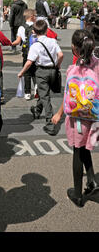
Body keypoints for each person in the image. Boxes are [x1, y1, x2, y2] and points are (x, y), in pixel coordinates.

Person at [52, 30, 99, 207]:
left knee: (78, 151)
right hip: (94, 117)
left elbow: (68, 96)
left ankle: (77, 194)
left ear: (74, 47)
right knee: (86, 147)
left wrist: (59, 113)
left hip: (77, 118)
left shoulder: (74, 68)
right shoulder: (98, 65)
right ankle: (92, 180)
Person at [18, 19, 63, 136]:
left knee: (45, 96)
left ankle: (50, 124)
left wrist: (22, 72)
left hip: (41, 71)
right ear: (47, 29)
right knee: (44, 93)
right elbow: (61, 54)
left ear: (33, 31)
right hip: (53, 70)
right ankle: (37, 110)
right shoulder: (53, 41)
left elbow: (29, 62)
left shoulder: (35, 46)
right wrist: (57, 65)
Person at [11, 9, 37, 100]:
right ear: (32, 17)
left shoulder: (21, 27)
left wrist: (10, 43)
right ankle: (37, 87)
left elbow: (18, 41)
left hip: (26, 52)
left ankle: (27, 92)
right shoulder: (37, 26)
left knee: (27, 72)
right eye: (35, 15)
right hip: (37, 52)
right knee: (36, 71)